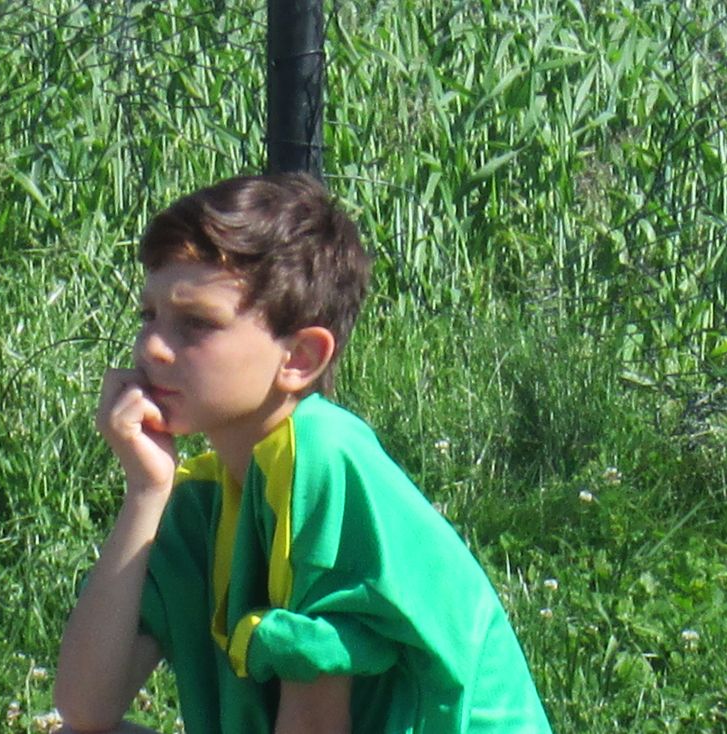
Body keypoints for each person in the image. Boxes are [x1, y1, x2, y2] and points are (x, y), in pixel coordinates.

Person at [54, 173, 552, 733]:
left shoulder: (323, 461)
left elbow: (315, 721)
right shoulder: (204, 498)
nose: (151, 347)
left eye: (196, 324)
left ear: (300, 358)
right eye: (149, 316)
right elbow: (85, 711)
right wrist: (146, 493)